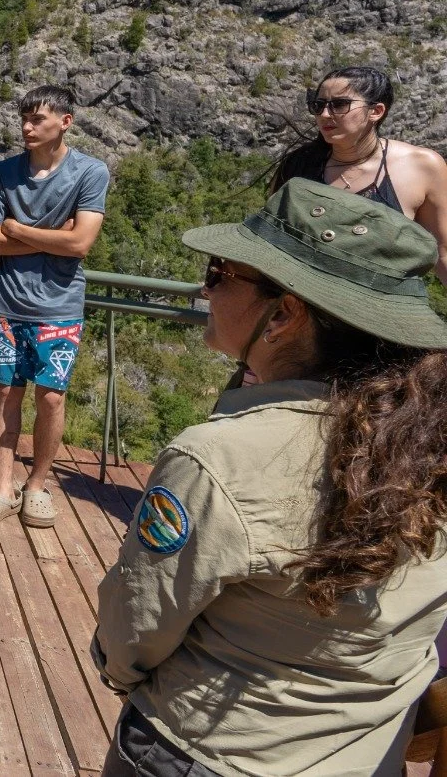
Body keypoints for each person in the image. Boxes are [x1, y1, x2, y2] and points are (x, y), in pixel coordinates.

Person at [94, 178, 447, 776]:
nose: (203, 290)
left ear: (284, 314)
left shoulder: (220, 457)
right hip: (365, 755)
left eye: (217, 274)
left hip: (214, 751)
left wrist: (120, 668)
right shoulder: (429, 437)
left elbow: (136, 629)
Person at [0, 85, 109, 529]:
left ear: (65, 122)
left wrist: (16, 229)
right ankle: (3, 488)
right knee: (6, 393)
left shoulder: (90, 172)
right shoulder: (2, 172)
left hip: (60, 305)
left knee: (50, 397)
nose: (27, 128)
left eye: (38, 120)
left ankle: (37, 486)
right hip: (9, 301)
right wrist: (52, 236)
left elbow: (81, 242)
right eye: (24, 119)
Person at [271, 65, 447, 282]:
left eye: (339, 104)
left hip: (380, 304)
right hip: (304, 303)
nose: (325, 114)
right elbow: (273, 237)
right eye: (319, 105)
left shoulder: (421, 166)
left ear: (376, 111)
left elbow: (443, 252)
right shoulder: (299, 165)